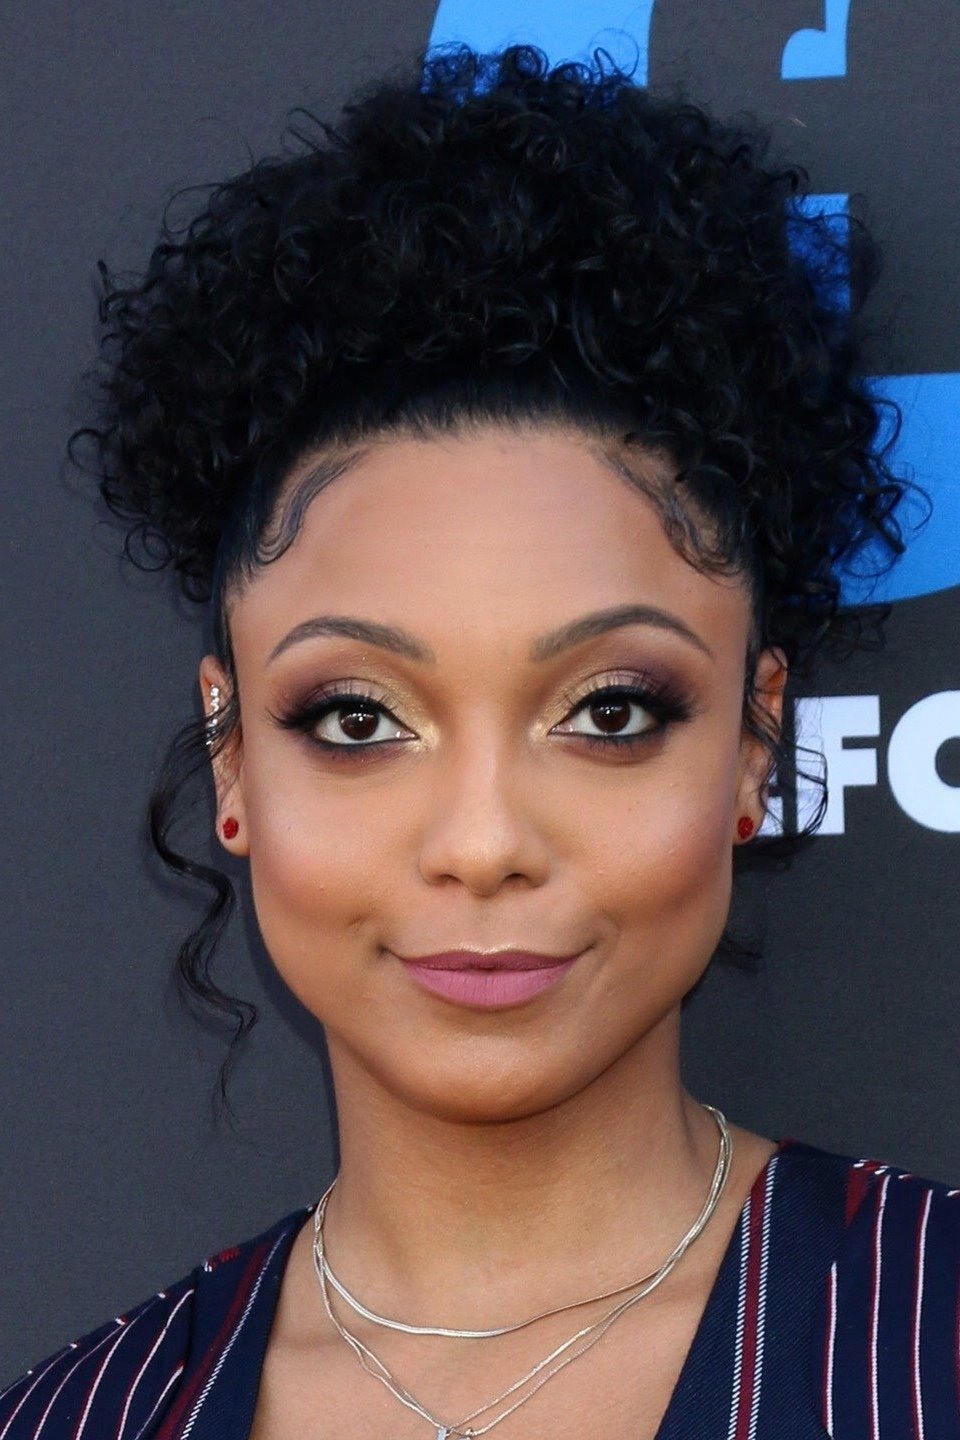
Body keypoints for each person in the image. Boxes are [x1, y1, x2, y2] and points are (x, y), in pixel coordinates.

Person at [2, 42, 956, 1440]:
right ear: (231, 755)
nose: (484, 842)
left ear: (757, 743)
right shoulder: (81, 1418)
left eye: (611, 712)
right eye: (359, 719)